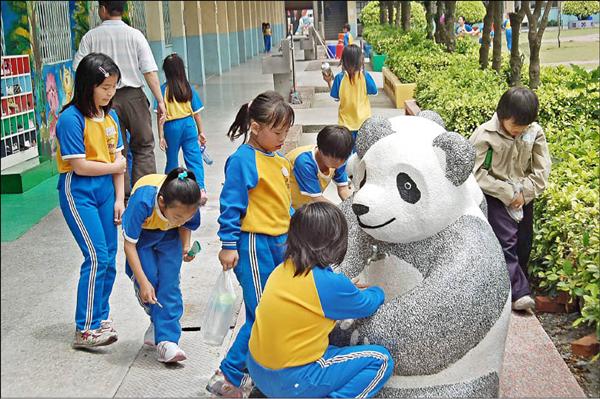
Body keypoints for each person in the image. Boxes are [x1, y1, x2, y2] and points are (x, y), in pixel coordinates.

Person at [247, 202, 393, 398]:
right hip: (291, 380)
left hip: (258, 369)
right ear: (335, 242)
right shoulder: (329, 284)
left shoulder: (282, 269)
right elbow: (368, 304)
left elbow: (317, 295)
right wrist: (380, 290)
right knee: (380, 360)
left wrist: (343, 290)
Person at [207, 91, 295, 397]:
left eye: (286, 132)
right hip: (254, 244)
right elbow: (230, 205)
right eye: (278, 132)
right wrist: (228, 244)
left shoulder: (280, 161)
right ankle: (228, 374)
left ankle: (254, 371)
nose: (283, 138)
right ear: (255, 127)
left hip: (280, 242)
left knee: (272, 310)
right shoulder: (243, 160)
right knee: (264, 313)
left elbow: (284, 204)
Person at [55, 53, 126, 348]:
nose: (110, 94)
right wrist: (114, 168)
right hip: (80, 191)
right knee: (96, 256)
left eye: (113, 87)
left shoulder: (110, 116)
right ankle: (84, 329)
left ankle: (100, 317)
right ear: (88, 85)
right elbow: (81, 166)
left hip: (106, 191)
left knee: (109, 257)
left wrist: (120, 198)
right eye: (105, 88)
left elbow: (119, 156)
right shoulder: (70, 119)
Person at [73, 0, 166, 199]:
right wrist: (160, 100)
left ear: (103, 9)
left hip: (103, 100)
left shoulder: (91, 37)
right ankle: (146, 193)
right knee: (143, 146)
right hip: (134, 98)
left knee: (114, 150)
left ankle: (121, 196)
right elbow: (149, 71)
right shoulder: (135, 35)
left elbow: (78, 69)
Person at [469, 87, 551, 312]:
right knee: (506, 242)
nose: (518, 131)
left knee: (524, 242)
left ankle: (515, 283)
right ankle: (519, 292)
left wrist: (525, 193)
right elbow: (477, 174)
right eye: (515, 125)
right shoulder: (485, 135)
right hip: (496, 196)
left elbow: (542, 169)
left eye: (523, 126)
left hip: (524, 196)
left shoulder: (534, 132)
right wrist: (507, 193)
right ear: (502, 115)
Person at [122, 167, 201, 363]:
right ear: (161, 202)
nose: (184, 219)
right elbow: (129, 245)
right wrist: (143, 282)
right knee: (150, 281)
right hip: (143, 236)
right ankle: (157, 321)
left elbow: (185, 224)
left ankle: (167, 341)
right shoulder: (143, 201)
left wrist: (185, 246)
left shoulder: (188, 202)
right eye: (178, 216)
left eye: (188, 216)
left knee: (169, 284)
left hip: (170, 234)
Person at [157, 53, 208, 206]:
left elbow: (159, 116)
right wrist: (201, 132)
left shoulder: (162, 91)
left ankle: (169, 191)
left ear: (166, 71)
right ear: (181, 70)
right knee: (194, 158)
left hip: (170, 127)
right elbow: (196, 113)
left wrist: (161, 136)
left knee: (172, 159)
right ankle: (200, 190)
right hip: (188, 125)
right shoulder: (188, 88)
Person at [324, 44, 378, 152]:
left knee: (346, 153)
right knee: (361, 153)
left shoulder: (340, 78)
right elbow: (374, 91)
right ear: (360, 60)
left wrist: (329, 81)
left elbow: (335, 96)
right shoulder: (365, 76)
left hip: (345, 124)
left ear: (343, 60)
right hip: (364, 123)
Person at [286, 125, 353, 210]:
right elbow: (317, 199)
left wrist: (352, 208)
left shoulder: (340, 156)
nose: (339, 163)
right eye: (335, 159)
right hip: (285, 204)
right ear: (321, 151)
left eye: (344, 159)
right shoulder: (304, 162)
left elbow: (343, 189)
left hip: (306, 203)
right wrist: (343, 212)